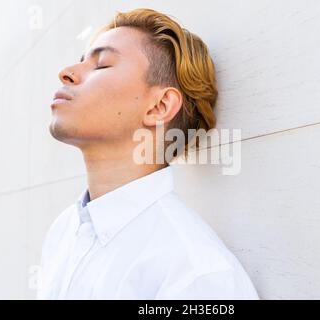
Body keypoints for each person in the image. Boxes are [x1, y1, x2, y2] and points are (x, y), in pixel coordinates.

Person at [37, 7, 259, 299]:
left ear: (159, 107)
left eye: (101, 64)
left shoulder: (196, 276)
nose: (66, 73)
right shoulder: (63, 231)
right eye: (81, 61)